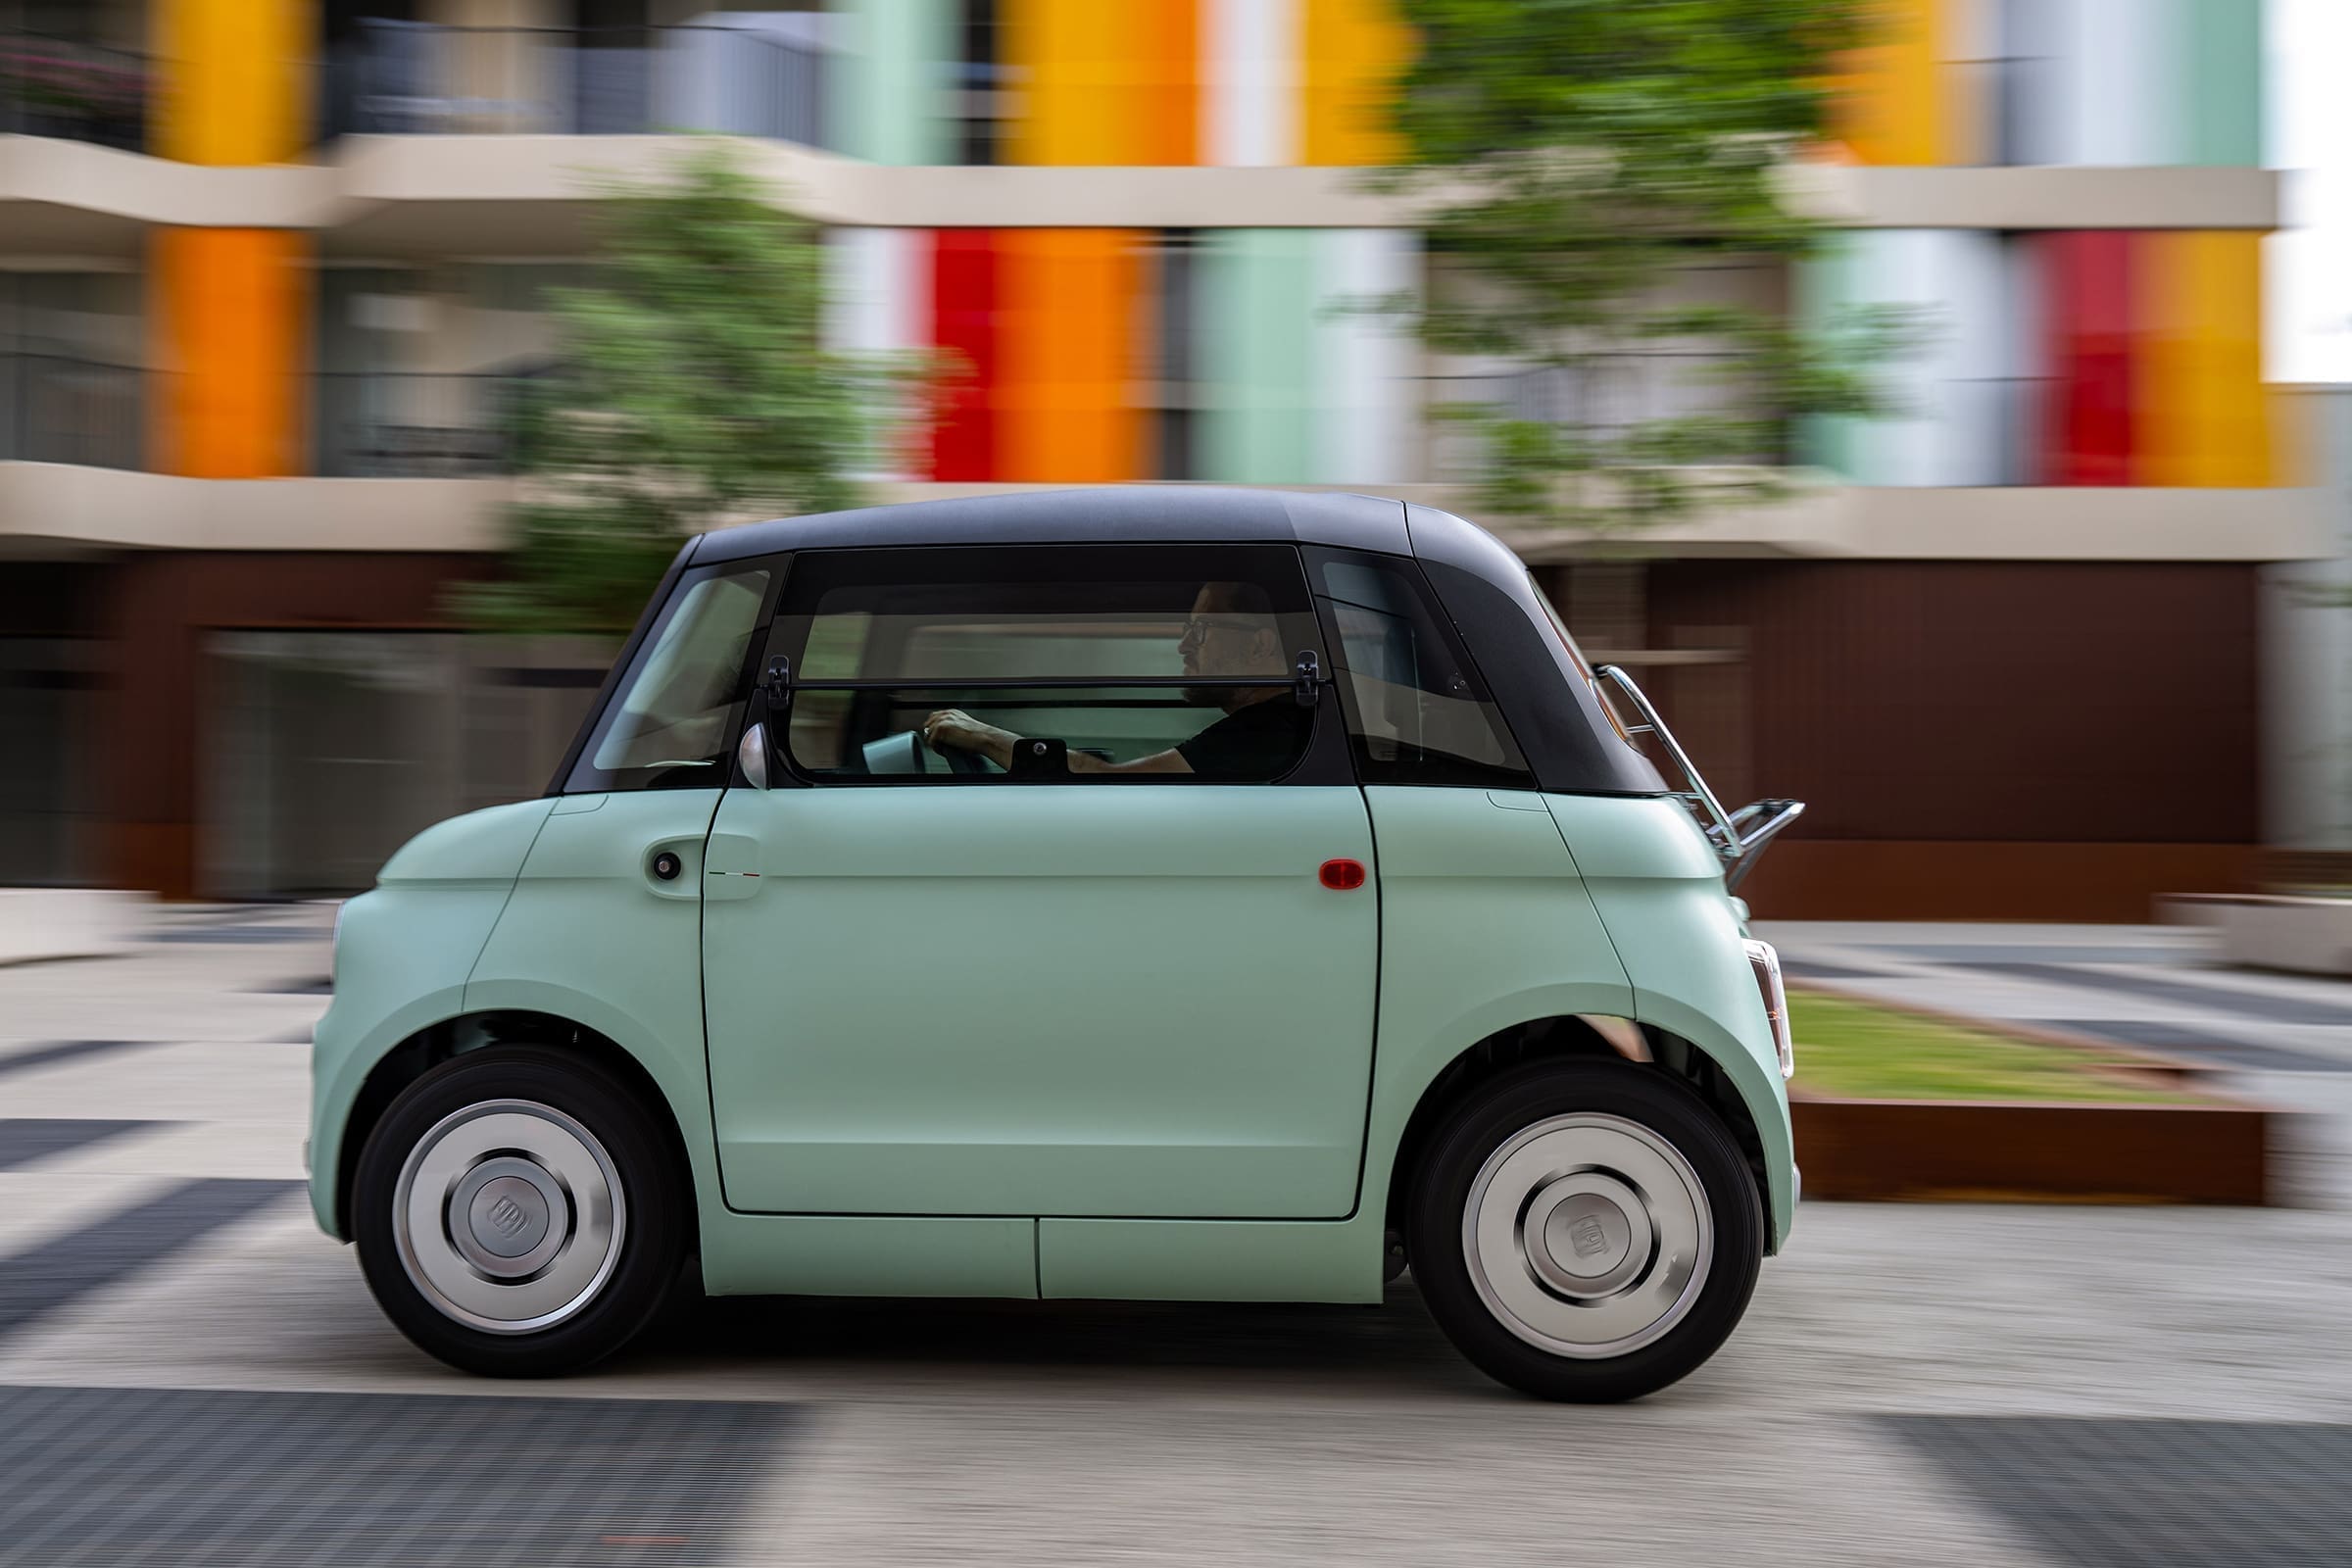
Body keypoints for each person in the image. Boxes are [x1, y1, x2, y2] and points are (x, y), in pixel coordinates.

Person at [922, 581, 1308, 777]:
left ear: (1260, 645)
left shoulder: (1266, 732)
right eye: (1186, 629)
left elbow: (1116, 785)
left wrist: (986, 737)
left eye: (1202, 629)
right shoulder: (1271, 726)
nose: (1184, 647)